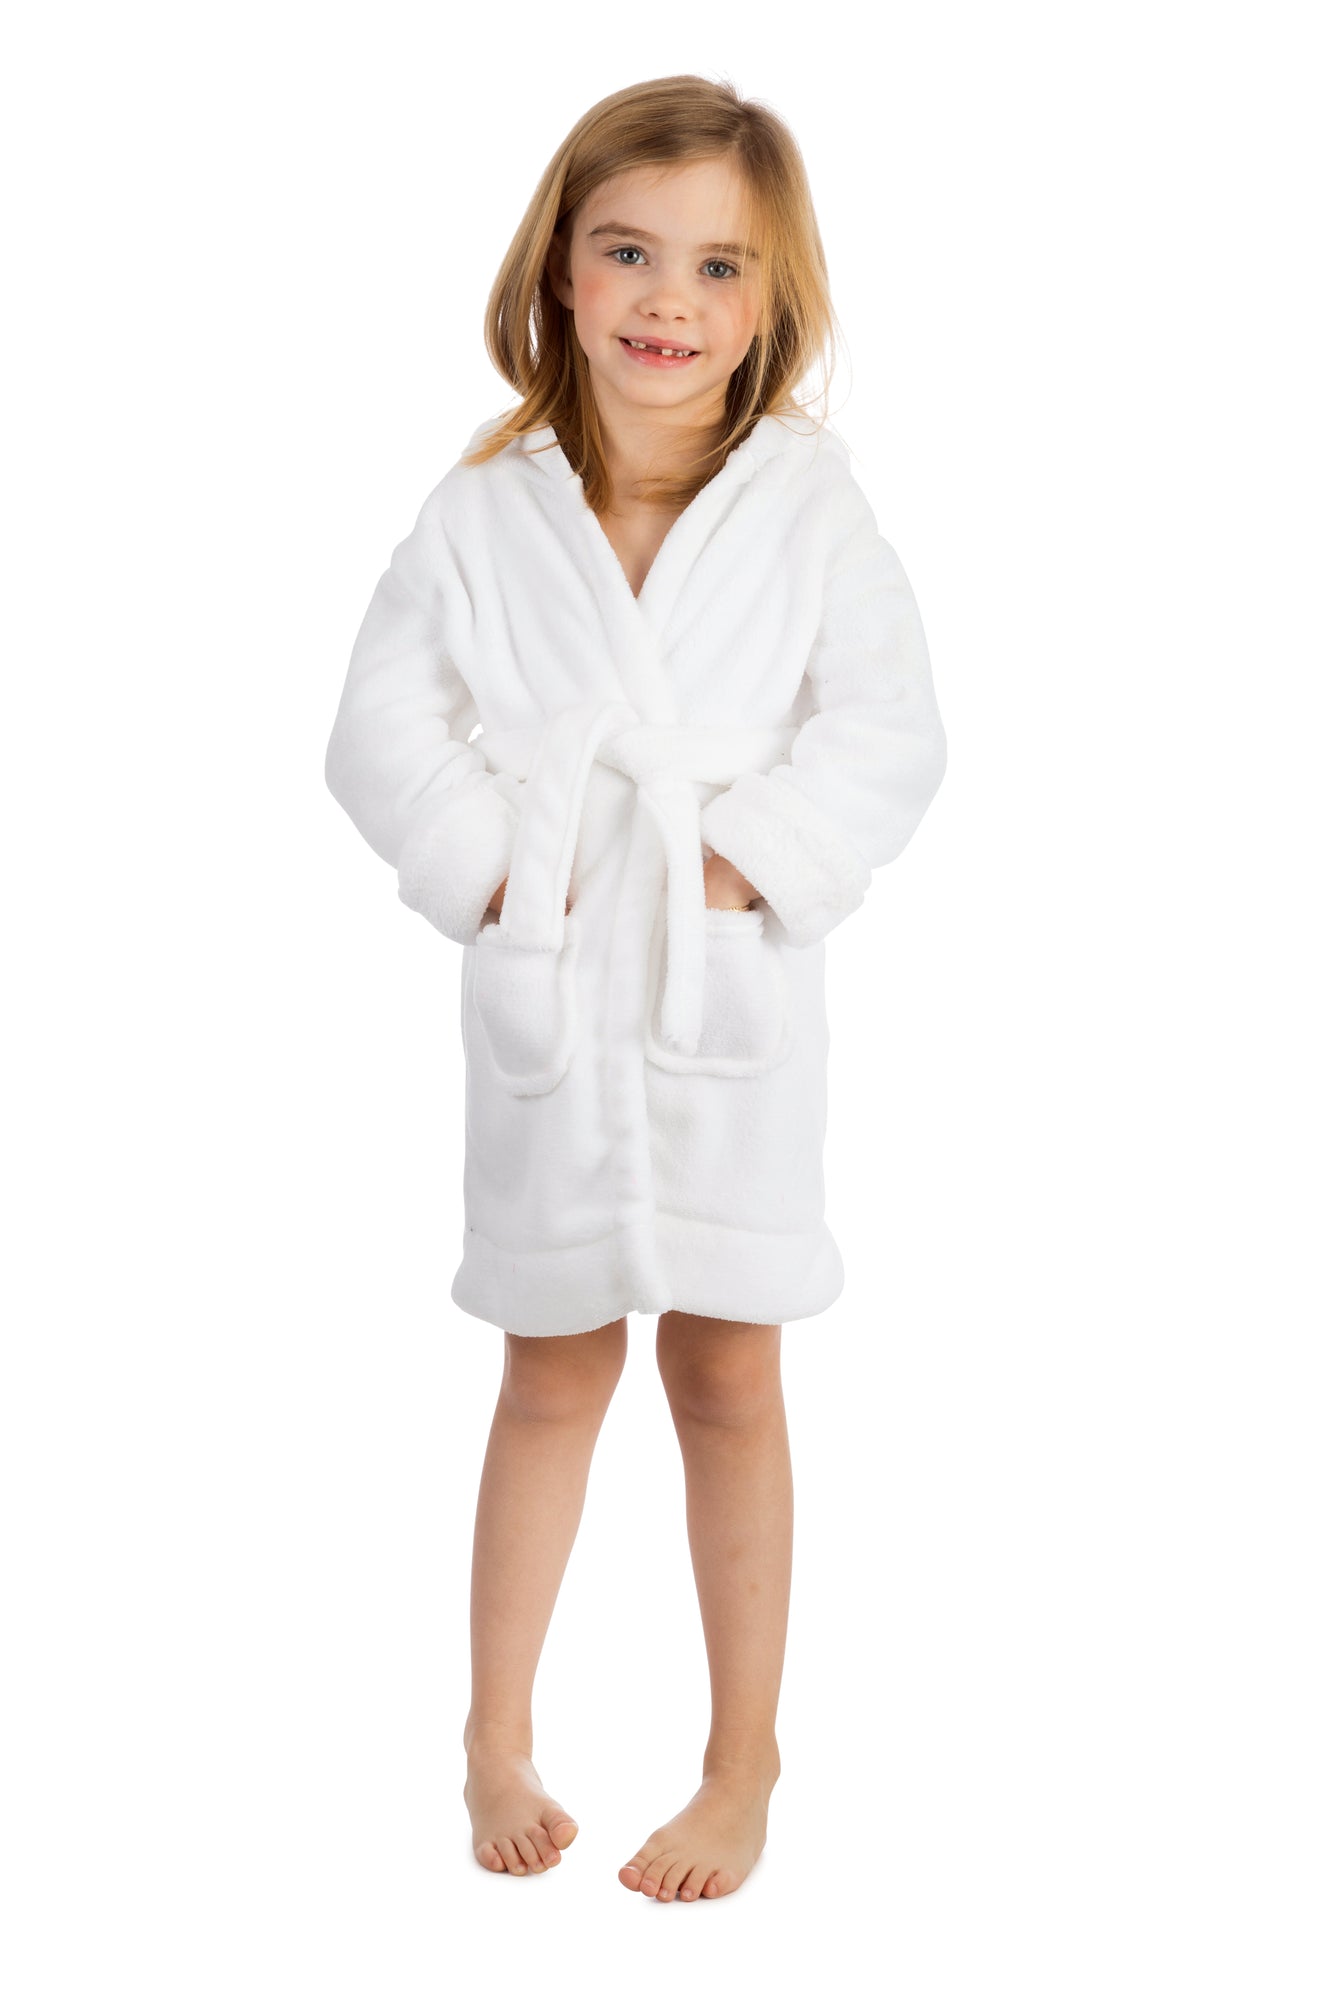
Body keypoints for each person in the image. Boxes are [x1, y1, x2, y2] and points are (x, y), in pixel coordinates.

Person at [324, 74, 948, 1903]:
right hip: (549, 993)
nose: (668, 299)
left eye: (717, 267)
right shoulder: (482, 512)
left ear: (767, 306)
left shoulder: (808, 508)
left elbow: (892, 731)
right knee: (547, 1365)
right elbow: (375, 730)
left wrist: (743, 864)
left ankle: (742, 1762)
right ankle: (492, 1735)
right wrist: (499, 874)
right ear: (560, 272)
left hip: (726, 994)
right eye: (627, 252)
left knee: (730, 1368)